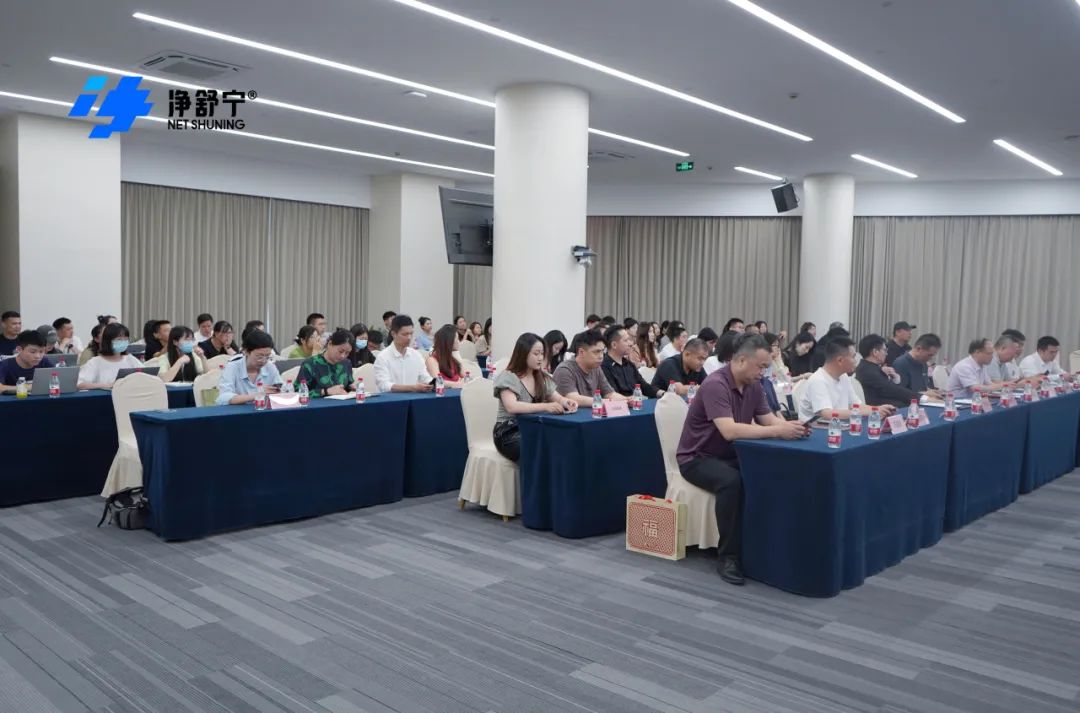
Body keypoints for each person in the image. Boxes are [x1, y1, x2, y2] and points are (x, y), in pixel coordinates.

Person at [676, 333, 809, 585]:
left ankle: (764, 544)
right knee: (731, 481)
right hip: (697, 457)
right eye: (761, 367)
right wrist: (778, 431)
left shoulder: (754, 386)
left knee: (768, 471)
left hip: (730, 454)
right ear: (741, 361)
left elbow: (768, 420)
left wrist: (791, 427)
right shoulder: (716, 384)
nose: (763, 372)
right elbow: (729, 430)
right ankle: (729, 556)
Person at [493, 333, 578, 461]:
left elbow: (558, 398)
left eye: (542, 353)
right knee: (538, 451)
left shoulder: (541, 377)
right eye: (536, 353)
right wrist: (546, 406)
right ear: (523, 354)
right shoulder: (508, 376)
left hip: (533, 428)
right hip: (508, 432)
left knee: (562, 443)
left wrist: (566, 402)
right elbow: (512, 406)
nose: (540, 358)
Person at [798, 336, 895, 421]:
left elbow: (855, 405)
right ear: (840, 360)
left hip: (838, 426)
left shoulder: (843, 376)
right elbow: (828, 414)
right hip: (815, 431)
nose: (856, 360)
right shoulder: (818, 380)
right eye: (853, 357)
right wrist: (871, 412)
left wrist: (877, 409)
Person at [552, 329, 626, 407]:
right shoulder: (564, 370)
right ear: (581, 352)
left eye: (602, 351)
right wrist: (607, 402)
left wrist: (626, 400)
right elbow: (573, 398)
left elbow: (609, 394)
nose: (601, 356)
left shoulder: (596, 368)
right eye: (596, 352)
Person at [216, 330, 283, 405]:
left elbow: (282, 391)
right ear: (246, 351)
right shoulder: (233, 367)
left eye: (267, 356)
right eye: (259, 356)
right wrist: (256, 395)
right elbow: (223, 398)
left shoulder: (270, 367)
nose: (264, 361)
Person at [855, 334, 920, 408]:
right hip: (879, 409)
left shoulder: (872, 367)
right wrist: (921, 398)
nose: (886, 353)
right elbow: (892, 390)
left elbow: (894, 390)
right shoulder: (867, 371)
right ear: (875, 352)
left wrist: (896, 378)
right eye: (885, 350)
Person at [374, 315, 435, 393]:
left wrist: (434, 383)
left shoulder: (416, 355)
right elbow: (384, 385)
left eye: (411, 334)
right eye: (405, 334)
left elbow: (425, 378)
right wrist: (412, 388)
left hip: (414, 398)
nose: (409, 338)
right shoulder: (383, 357)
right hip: (390, 399)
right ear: (393, 334)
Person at [77, 323, 143, 390]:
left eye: (126, 339)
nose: (123, 342)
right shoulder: (95, 362)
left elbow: (146, 375)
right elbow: (79, 384)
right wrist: (107, 385)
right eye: (119, 339)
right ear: (108, 341)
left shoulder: (130, 359)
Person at [602, 324, 659, 399]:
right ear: (614, 345)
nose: (631, 343)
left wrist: (661, 393)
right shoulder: (604, 367)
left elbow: (644, 386)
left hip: (634, 402)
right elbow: (612, 394)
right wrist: (629, 399)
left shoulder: (629, 364)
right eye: (626, 340)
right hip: (620, 404)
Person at [294, 329, 355, 397]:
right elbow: (298, 392)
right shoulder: (310, 364)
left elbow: (348, 384)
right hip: (316, 403)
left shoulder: (346, 363)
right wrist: (325, 391)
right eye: (340, 351)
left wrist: (353, 387)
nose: (343, 356)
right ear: (330, 344)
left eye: (347, 353)